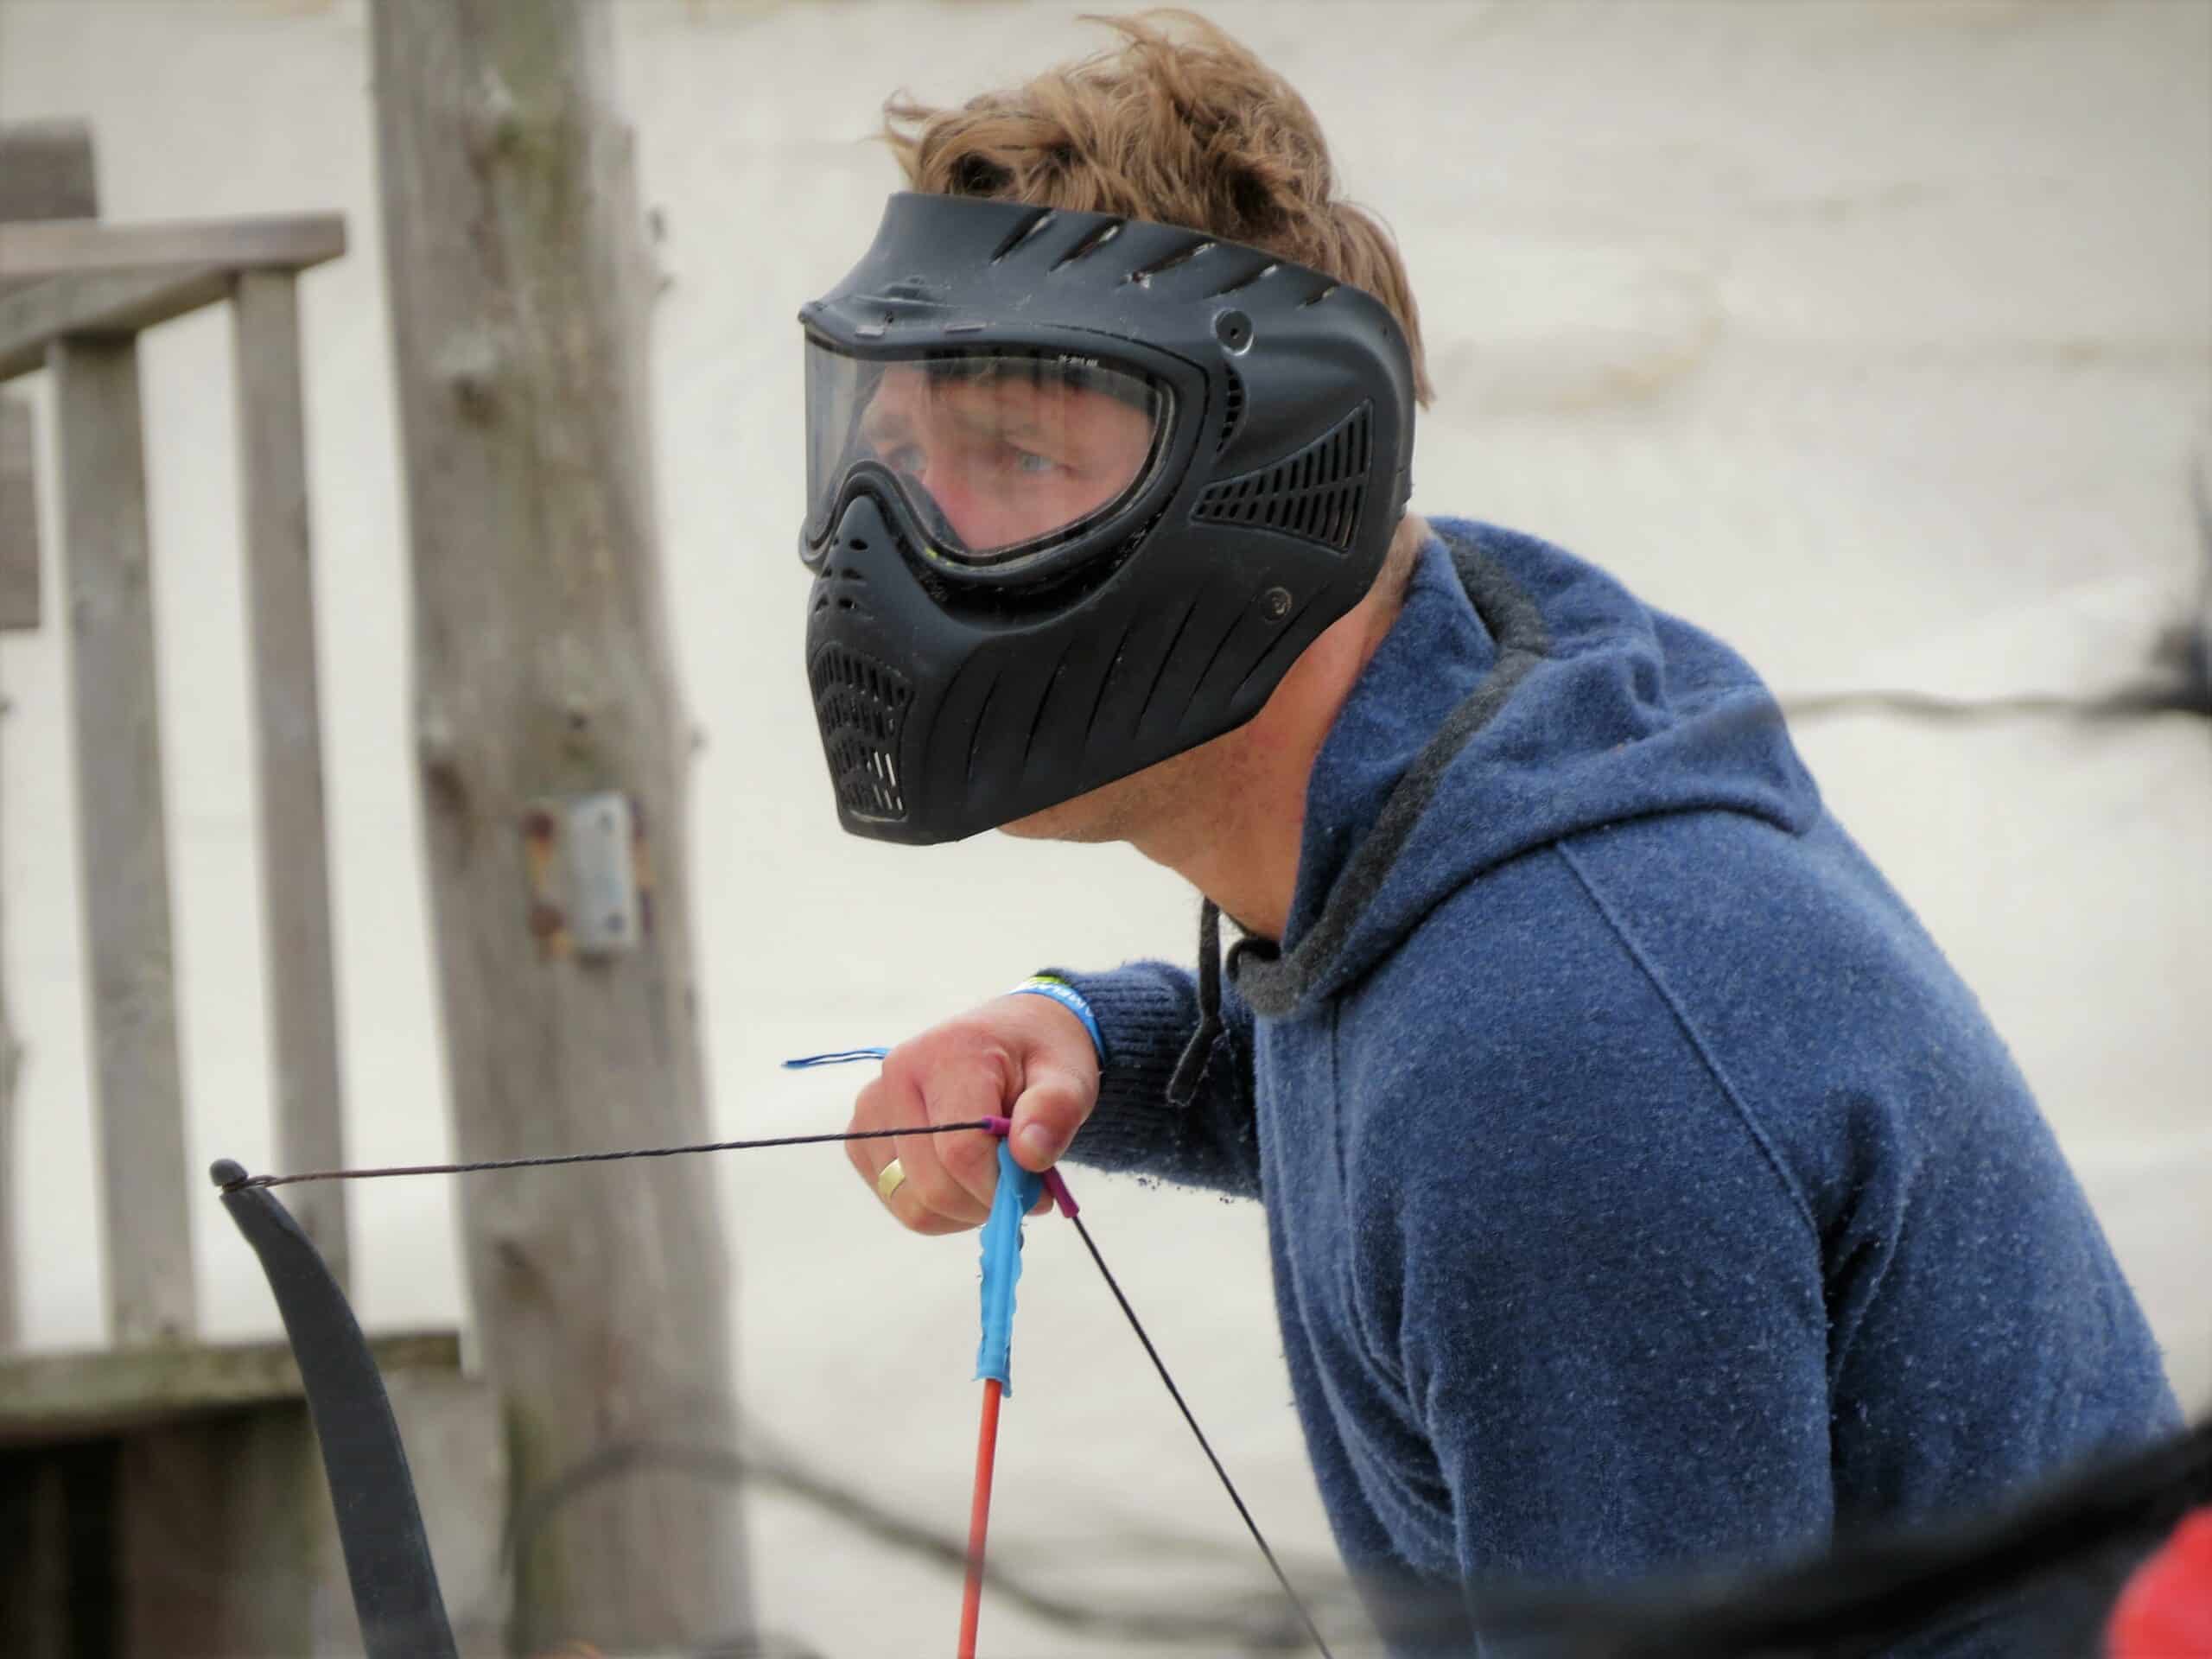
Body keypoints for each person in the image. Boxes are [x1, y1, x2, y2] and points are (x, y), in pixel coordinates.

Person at [795, 10, 2181, 1648]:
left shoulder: (1556, 1042)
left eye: (1015, 456)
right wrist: (1090, 1035)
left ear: (1282, 483)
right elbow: (1391, 1062)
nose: (895, 547)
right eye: (882, 463)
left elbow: (1511, 1099)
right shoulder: (1481, 775)